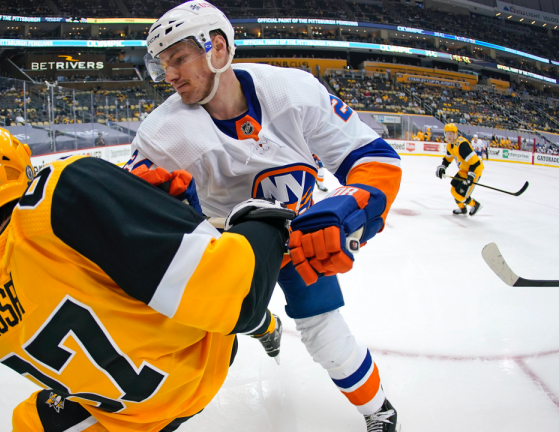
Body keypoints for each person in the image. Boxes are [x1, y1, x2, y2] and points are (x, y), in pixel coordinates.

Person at [127, 2, 402, 430]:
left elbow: (375, 160)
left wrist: (347, 212)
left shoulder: (292, 92)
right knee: (204, 334)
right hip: (224, 247)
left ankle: (379, 410)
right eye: (163, 64)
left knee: (324, 331)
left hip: (299, 232)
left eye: (178, 58)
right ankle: (262, 323)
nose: (169, 75)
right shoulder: (163, 134)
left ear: (217, 48)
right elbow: (134, 210)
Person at [0, 126, 295, 432]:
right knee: (176, 274)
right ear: (26, 166)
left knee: (29, 422)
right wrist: (269, 225)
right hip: (204, 363)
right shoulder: (61, 192)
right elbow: (238, 294)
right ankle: (266, 327)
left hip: (123, 416)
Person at [435, 123, 483, 216]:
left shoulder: (462, 144)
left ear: (455, 134)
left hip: (474, 171)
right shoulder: (450, 145)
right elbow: (447, 159)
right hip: (463, 171)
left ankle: (475, 204)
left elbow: (475, 162)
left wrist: (471, 175)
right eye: (447, 134)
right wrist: (442, 167)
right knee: (453, 190)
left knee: (460, 195)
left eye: (451, 134)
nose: (448, 136)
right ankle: (462, 208)